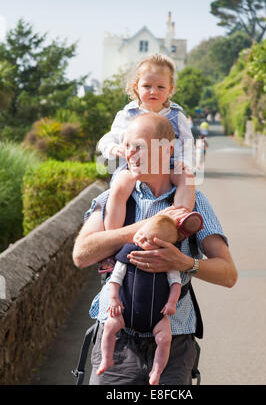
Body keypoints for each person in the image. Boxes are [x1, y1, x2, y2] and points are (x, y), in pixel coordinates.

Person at [73, 112, 238, 385]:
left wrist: (183, 263)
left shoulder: (195, 203)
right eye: (127, 146)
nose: (130, 154)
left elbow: (228, 274)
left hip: (174, 340)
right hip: (117, 341)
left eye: (139, 147)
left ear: (167, 149)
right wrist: (145, 226)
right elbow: (82, 254)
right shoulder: (111, 197)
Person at [98, 54, 201, 240]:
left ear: (170, 89)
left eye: (160, 87)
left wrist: (185, 163)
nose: (153, 91)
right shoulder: (128, 114)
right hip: (134, 168)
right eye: (147, 86)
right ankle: (112, 237)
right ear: (136, 86)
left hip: (167, 168)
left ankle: (179, 218)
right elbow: (108, 138)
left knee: (187, 178)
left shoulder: (176, 116)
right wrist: (113, 148)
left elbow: (187, 144)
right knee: (120, 187)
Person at [97, 214, 184, 385]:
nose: (140, 239)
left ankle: (156, 371)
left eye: (147, 240)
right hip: (125, 312)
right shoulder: (129, 253)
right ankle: (106, 359)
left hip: (157, 317)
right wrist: (114, 300)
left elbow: (176, 284)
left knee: (165, 340)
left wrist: (171, 303)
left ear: (162, 246)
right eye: (141, 233)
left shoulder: (166, 261)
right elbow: (115, 279)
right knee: (109, 327)